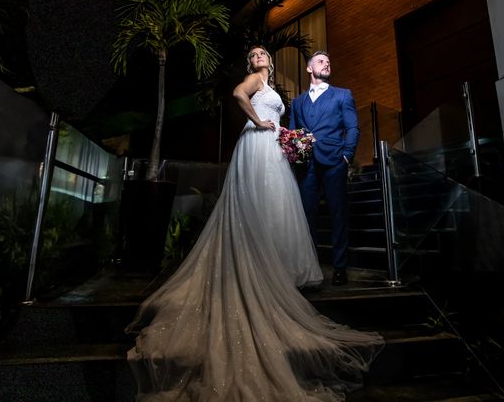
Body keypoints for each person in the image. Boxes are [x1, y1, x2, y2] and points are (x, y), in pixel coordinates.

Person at [125, 46, 383, 401]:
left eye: (263, 52)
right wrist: (262, 123)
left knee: (287, 210)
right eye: (254, 53)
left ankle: (306, 266)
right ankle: (262, 268)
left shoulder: (304, 91)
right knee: (264, 207)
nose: (259, 55)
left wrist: (340, 151)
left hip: (289, 153)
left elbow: (323, 125)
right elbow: (240, 96)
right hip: (262, 146)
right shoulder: (258, 82)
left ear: (270, 62)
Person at [289, 50, 359, 286]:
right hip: (306, 165)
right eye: (321, 61)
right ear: (309, 68)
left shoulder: (342, 95)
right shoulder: (297, 102)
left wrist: (347, 156)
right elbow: (293, 134)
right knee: (307, 217)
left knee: (338, 215)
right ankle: (311, 268)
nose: (326, 64)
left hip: (334, 162)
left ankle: (340, 267)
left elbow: (353, 127)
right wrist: (294, 155)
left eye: (328, 61)